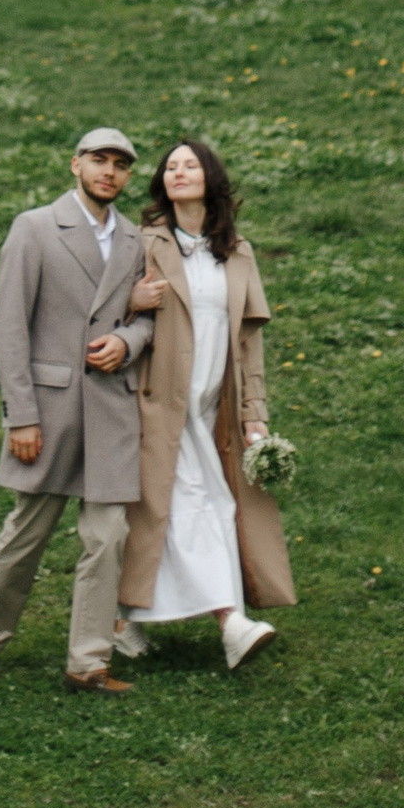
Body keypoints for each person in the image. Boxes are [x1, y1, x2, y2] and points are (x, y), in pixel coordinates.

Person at [0, 129, 155, 694]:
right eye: (99, 160)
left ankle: (88, 663)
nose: (109, 171)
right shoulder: (35, 227)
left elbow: (150, 316)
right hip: (50, 407)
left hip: (112, 410)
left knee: (109, 535)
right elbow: (10, 325)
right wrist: (21, 414)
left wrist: (129, 342)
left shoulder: (138, 240)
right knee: (27, 533)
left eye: (119, 164)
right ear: (76, 165)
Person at [114, 135, 293, 672]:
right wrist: (130, 298)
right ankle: (230, 624)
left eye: (190, 165)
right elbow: (105, 312)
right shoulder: (142, 243)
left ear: (210, 178)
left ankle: (126, 621)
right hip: (158, 404)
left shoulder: (237, 250)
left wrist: (254, 415)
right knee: (202, 505)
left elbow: (247, 342)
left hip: (214, 408)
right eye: (170, 167)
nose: (178, 172)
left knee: (184, 509)